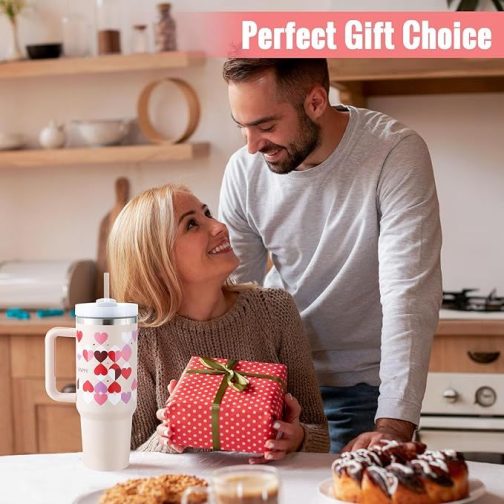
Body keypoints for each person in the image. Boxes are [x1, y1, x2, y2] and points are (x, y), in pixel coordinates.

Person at [219, 58, 442, 453]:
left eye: (266, 126)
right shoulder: (244, 170)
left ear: (316, 102)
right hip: (277, 386)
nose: (252, 146)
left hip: (363, 395)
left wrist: (392, 425)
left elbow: (407, 294)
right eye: (243, 128)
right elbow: (235, 296)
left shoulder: (394, 153)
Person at [107, 183, 329, 461]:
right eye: (191, 225)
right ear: (157, 260)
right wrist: (170, 436)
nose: (219, 227)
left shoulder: (275, 310)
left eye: (207, 213)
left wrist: (297, 439)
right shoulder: (137, 338)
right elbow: (129, 457)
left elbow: (319, 433)